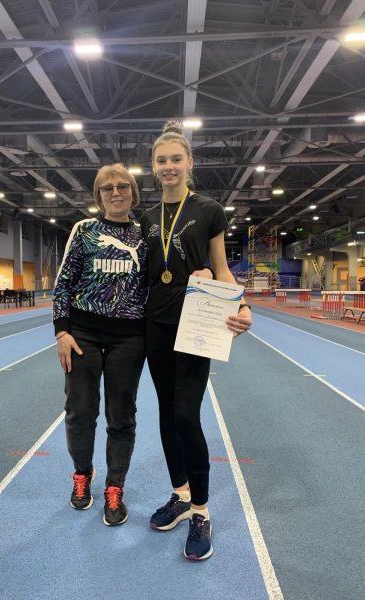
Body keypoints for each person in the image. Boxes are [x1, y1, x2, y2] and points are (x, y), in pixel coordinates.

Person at [140, 120, 252, 561]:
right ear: (153, 167)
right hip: (155, 326)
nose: (168, 166)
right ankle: (181, 495)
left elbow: (220, 268)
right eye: (161, 160)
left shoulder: (209, 210)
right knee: (167, 415)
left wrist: (242, 305)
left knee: (187, 414)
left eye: (175, 159)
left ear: (189, 162)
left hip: (195, 326)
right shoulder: (146, 218)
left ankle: (202, 511)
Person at [52, 163, 148, 527]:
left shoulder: (146, 234)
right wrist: (62, 332)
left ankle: (115, 486)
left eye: (123, 186)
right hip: (83, 335)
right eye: (107, 188)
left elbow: (162, 280)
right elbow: (63, 283)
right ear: (98, 195)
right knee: (80, 411)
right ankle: (82, 474)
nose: (116, 192)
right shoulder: (85, 230)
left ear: (133, 192)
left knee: (121, 415)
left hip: (130, 336)